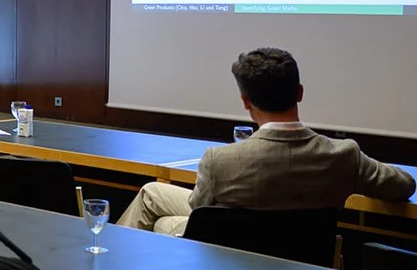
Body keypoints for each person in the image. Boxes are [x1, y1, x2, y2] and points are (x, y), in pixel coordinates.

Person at [119, 47, 415, 235]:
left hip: (233, 255)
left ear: (245, 102)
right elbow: (403, 184)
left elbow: (200, 211)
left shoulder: (219, 160)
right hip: (304, 255)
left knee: (161, 223)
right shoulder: (343, 156)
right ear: (299, 93)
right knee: (151, 193)